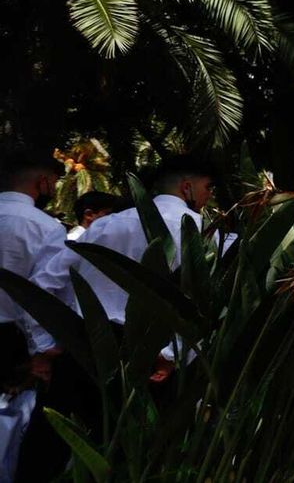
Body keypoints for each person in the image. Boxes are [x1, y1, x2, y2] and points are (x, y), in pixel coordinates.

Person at [20, 155, 216, 479]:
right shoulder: (201, 233)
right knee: (134, 456)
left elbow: (44, 282)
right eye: (208, 188)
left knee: (53, 446)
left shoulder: (109, 224)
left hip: (85, 345)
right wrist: (171, 355)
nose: (210, 196)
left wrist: (43, 343)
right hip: (152, 356)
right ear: (187, 187)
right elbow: (206, 304)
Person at [0, 148, 67, 392]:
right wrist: (41, 349)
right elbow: (40, 293)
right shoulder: (47, 228)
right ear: (44, 182)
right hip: (10, 339)